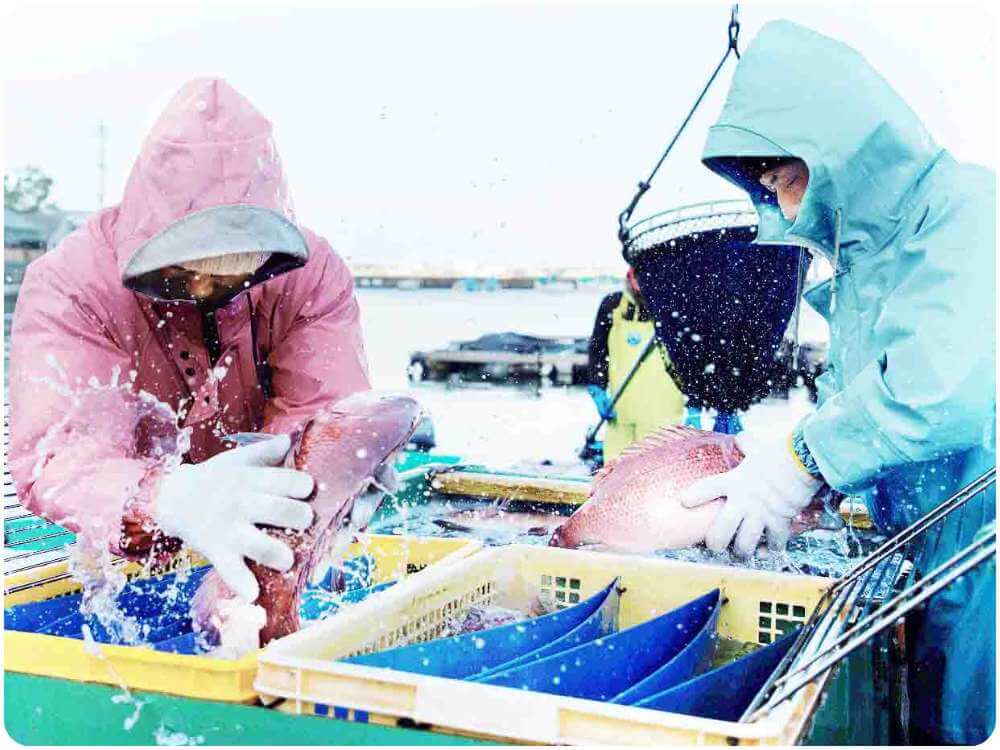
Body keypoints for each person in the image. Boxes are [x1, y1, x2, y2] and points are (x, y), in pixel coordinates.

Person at [680, 21, 995, 744]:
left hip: (983, 557)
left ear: (840, 154)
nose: (784, 206)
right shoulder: (862, 262)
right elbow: (855, 396)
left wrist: (802, 462)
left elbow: (940, 391)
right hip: (916, 550)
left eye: (787, 179)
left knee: (965, 728)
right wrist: (814, 482)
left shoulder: (967, 212)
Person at [8, 78, 388, 606]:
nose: (213, 288)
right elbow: (57, 454)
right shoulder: (72, 285)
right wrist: (164, 496)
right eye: (192, 270)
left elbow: (322, 411)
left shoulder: (311, 274)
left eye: (239, 269)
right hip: (128, 544)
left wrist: (338, 473)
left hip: (260, 519)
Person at [587, 268, 686, 462]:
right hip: (621, 415)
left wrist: (697, 405)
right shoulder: (612, 306)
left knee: (659, 476)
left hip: (663, 419)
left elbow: (693, 356)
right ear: (629, 277)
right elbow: (597, 351)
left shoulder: (674, 307)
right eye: (638, 278)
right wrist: (597, 386)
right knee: (614, 477)